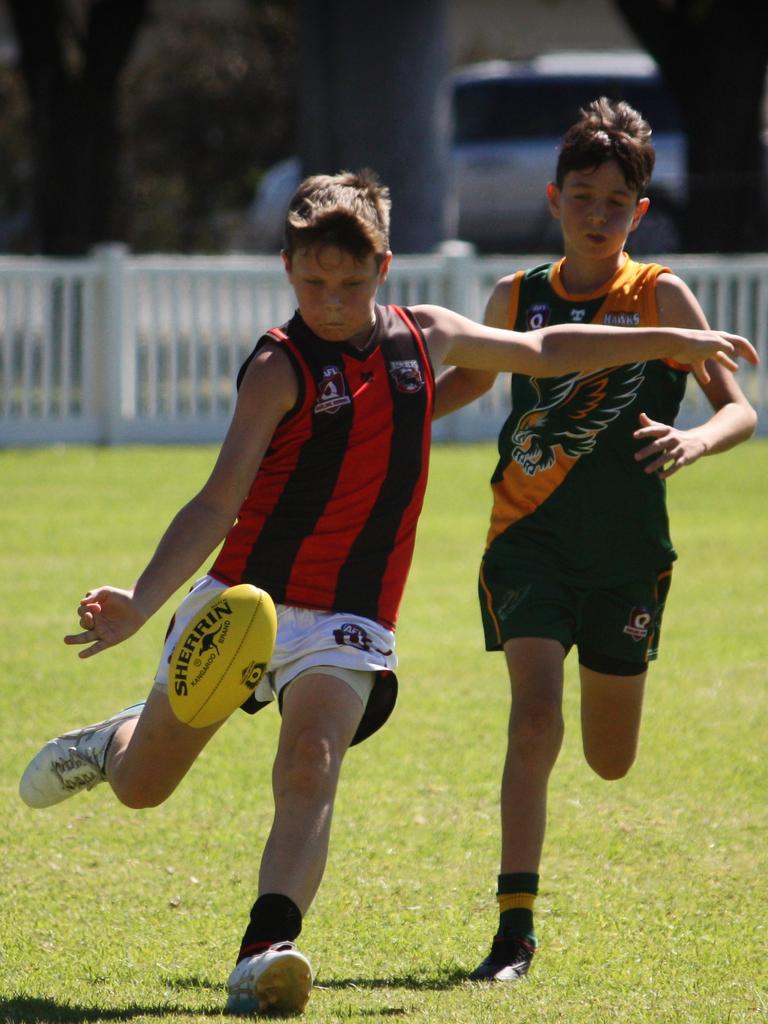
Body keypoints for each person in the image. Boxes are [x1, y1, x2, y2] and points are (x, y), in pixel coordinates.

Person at [19, 169, 755, 1017]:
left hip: (349, 618)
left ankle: (266, 951)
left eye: (351, 283)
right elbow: (219, 500)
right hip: (244, 602)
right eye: (312, 282)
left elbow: (547, 352)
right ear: (289, 269)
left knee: (310, 762)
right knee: (144, 786)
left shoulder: (428, 336)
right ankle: (111, 742)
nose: (331, 300)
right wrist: (142, 604)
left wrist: (668, 343)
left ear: (385, 269)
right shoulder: (276, 366)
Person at [433, 98, 759, 984]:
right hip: (526, 542)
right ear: (554, 197)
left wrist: (694, 440)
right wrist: (384, 424)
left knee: (610, 762)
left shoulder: (662, 297)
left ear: (640, 213)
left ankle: (521, 919)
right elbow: (459, 385)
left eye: (617, 202)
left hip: (628, 557)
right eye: (583, 195)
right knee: (534, 716)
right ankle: (513, 932)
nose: (597, 213)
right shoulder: (519, 297)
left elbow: (740, 407)